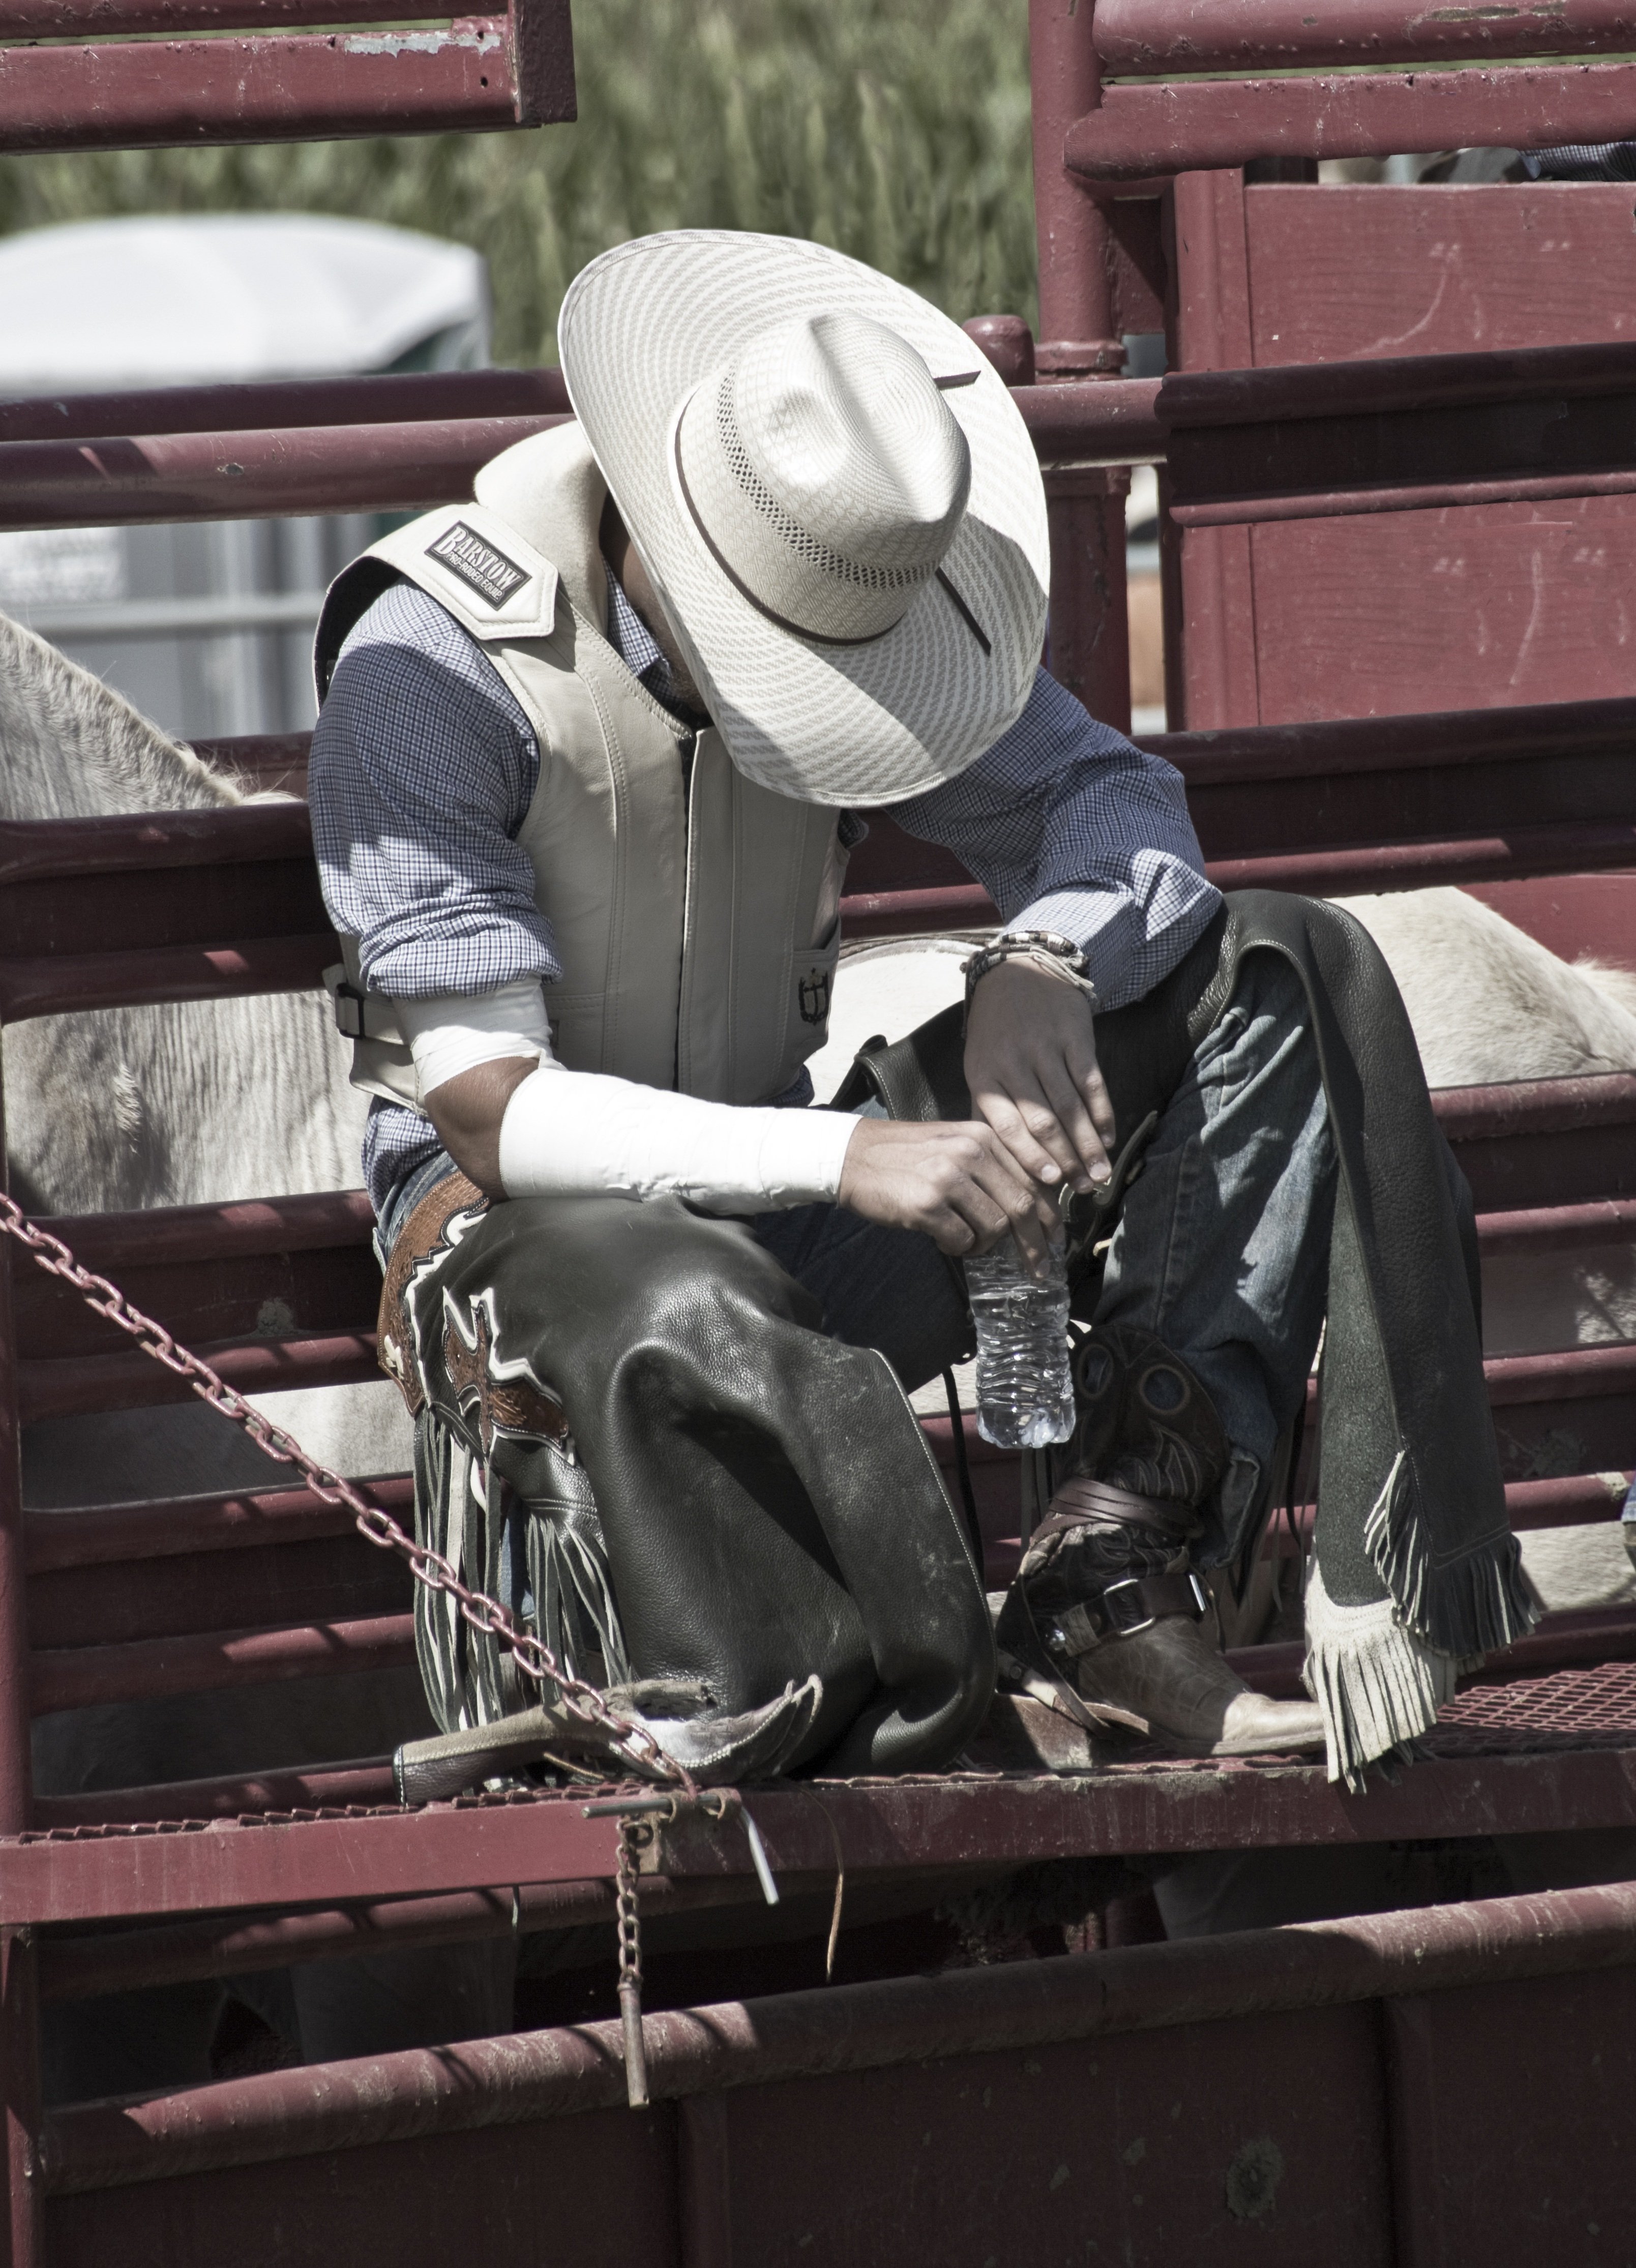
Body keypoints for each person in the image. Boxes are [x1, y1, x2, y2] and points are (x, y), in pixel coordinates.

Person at [309, 228, 1337, 1775]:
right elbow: (489, 1107)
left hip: (778, 1202)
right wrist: (848, 1160)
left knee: (1251, 970)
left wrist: (1041, 961)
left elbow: (1108, 799)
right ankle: (899, 1715)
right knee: (681, 1301)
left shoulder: (853, 595)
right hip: (518, 1240)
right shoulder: (431, 665)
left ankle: (1108, 1584)